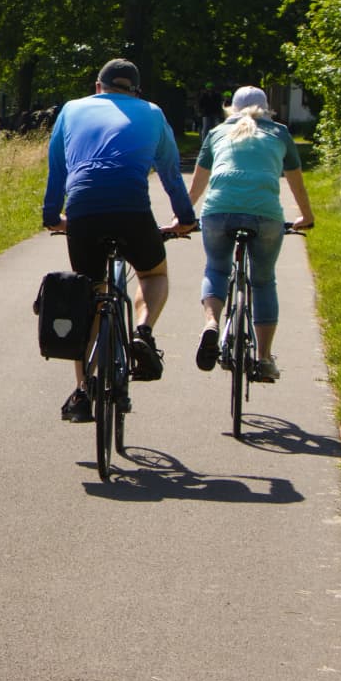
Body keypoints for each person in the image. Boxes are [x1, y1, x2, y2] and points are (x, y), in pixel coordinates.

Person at [42, 59, 198, 423]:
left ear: (99, 87)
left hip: (83, 211)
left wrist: (53, 216)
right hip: (132, 210)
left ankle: (83, 392)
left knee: (89, 297)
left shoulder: (72, 109)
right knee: (153, 274)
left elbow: (58, 167)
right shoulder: (154, 113)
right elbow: (171, 173)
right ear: (136, 92)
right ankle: (142, 331)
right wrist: (185, 219)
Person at [185, 85, 315, 383]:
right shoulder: (280, 133)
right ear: (267, 108)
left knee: (216, 268)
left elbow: (198, 184)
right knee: (263, 280)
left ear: (231, 108)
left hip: (219, 212)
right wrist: (306, 217)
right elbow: (297, 183)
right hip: (265, 215)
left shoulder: (217, 133)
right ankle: (264, 358)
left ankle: (211, 325)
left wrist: (181, 217)